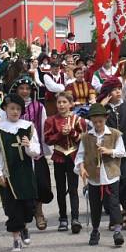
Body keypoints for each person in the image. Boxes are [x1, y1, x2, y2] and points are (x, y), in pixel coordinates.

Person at [0, 93, 41, 252]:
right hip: (8, 176)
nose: (15, 112)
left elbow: (36, 151)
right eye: (12, 108)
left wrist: (29, 145)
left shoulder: (28, 127)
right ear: (5, 109)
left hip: (25, 175)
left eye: (18, 109)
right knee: (13, 209)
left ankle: (24, 226)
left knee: (28, 208)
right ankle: (16, 239)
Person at [76, 103, 126, 247]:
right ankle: (95, 230)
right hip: (94, 177)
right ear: (91, 121)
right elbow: (80, 156)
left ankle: (117, 230)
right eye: (95, 121)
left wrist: (110, 151)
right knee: (95, 205)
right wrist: (81, 167)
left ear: (106, 118)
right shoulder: (86, 137)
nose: (98, 124)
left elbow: (122, 151)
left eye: (100, 121)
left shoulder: (115, 134)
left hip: (111, 175)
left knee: (113, 203)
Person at [8, 75, 54, 231]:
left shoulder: (38, 107)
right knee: (23, 186)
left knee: (41, 184)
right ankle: (25, 216)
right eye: (21, 88)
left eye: (27, 89)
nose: (25, 91)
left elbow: (43, 126)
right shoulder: (10, 108)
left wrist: (44, 149)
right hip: (17, 152)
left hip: (35, 150)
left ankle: (39, 212)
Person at [98, 77, 126, 230]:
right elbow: (94, 127)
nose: (118, 91)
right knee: (111, 184)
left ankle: (125, 208)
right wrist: (101, 107)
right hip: (108, 153)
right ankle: (115, 215)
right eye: (114, 89)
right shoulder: (102, 109)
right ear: (107, 93)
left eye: (119, 88)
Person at [44, 91, 86, 234]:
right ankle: (63, 218)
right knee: (61, 189)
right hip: (59, 157)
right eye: (59, 102)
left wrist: (72, 133)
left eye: (64, 102)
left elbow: (83, 138)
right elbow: (48, 140)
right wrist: (61, 133)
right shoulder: (51, 120)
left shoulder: (78, 120)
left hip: (73, 157)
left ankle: (75, 218)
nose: (61, 105)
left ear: (71, 104)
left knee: (73, 189)